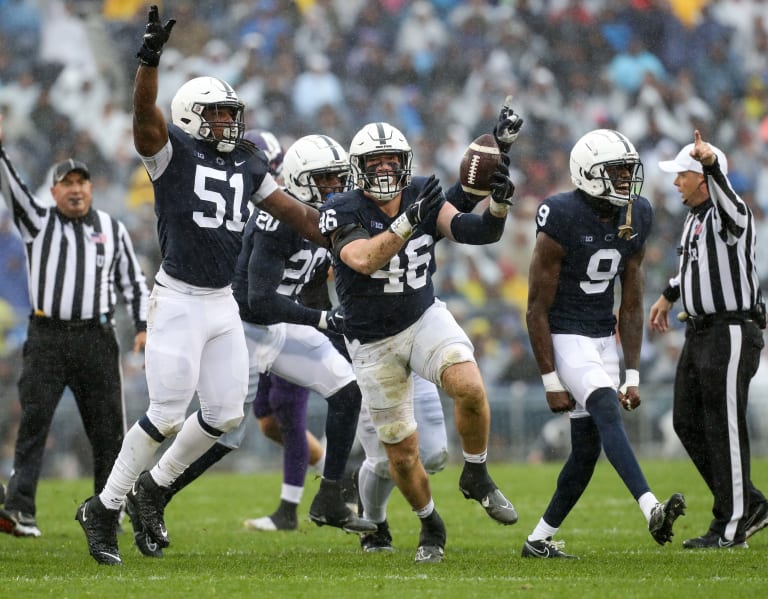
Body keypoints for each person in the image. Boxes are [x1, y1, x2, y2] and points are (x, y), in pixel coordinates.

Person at [75, 5, 330, 566]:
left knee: (225, 414)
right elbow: (144, 117)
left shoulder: (245, 159)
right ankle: (106, 506)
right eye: (215, 116)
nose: (227, 124)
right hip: (177, 299)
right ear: (191, 118)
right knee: (166, 413)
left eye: (229, 115)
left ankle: (155, 489)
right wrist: (149, 62)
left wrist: (341, 227)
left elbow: (297, 214)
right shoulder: (173, 152)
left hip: (220, 304)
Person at [317, 109, 521, 564]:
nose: (385, 168)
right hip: (371, 341)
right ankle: (431, 523)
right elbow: (366, 259)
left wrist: (500, 205)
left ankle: (477, 474)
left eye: (392, 160)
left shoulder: (421, 192)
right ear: (359, 168)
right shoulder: (340, 208)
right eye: (376, 162)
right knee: (404, 457)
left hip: (423, 317)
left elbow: (476, 230)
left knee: (469, 386)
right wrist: (410, 219)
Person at [522, 128, 686, 559]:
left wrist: (631, 373)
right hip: (565, 334)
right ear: (587, 173)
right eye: (614, 171)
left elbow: (631, 304)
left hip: (601, 337)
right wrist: (550, 379)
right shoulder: (560, 215)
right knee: (605, 409)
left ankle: (537, 540)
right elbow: (536, 307)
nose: (624, 180)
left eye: (627, 171)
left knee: (585, 452)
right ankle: (651, 508)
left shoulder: (637, 214)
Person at [0, 117, 150, 538]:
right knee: (34, 423)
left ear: (91, 188)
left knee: (107, 431)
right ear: (53, 192)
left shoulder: (112, 229)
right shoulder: (36, 221)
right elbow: (10, 185)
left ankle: (109, 507)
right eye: (67, 183)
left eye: (82, 182)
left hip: (96, 337)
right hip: (47, 336)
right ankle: (20, 508)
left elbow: (131, 283)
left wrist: (141, 324)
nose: (76, 189)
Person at [649, 130, 767, 549]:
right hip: (700, 332)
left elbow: (733, 211)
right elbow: (692, 269)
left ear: (703, 177)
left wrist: (712, 164)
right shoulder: (694, 219)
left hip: (731, 330)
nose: (676, 182)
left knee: (725, 426)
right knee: (686, 420)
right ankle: (744, 503)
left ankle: (733, 525)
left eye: (682, 174)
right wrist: (668, 293)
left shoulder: (728, 215)